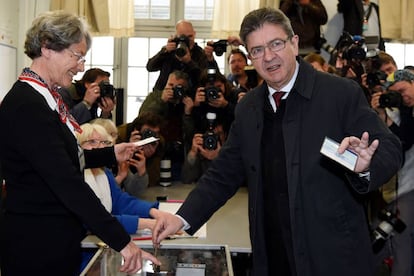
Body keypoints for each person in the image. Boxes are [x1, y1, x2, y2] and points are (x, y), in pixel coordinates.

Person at [151, 7, 402, 276]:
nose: (269, 57)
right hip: (272, 254)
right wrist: (181, 217)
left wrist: (365, 166)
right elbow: (223, 175)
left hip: (333, 257)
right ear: (250, 57)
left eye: (276, 44)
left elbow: (389, 148)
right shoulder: (248, 109)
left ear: (294, 44)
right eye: (257, 50)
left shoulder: (339, 93)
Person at [0, 11, 159, 275]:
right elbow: (67, 182)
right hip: (36, 248)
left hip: (53, 241)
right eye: (77, 56)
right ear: (48, 47)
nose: (81, 67)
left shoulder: (46, 99)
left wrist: (109, 154)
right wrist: (122, 241)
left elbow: (60, 157)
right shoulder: (28, 106)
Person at [78, 123, 162, 233]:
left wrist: (153, 212)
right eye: (92, 142)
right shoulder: (76, 177)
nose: (100, 147)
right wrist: (145, 223)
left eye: (104, 142)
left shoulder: (105, 172)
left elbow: (121, 201)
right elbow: (93, 219)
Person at [371, 69, 414, 276]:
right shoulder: (405, 111)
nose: (402, 96)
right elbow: (401, 142)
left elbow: (405, 141)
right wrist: (382, 116)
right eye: (396, 92)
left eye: (404, 89)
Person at [139, 70, 194, 181]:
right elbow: (142, 119)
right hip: (156, 152)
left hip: (178, 157)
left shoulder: (187, 103)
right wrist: (161, 101)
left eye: (178, 87)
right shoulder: (155, 97)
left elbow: (190, 134)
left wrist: (188, 113)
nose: (172, 90)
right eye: (170, 85)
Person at [146, 19, 218, 93]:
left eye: (190, 36)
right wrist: (164, 52)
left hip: (189, 98)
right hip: (164, 95)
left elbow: (206, 79)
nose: (187, 40)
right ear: (176, 36)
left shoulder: (201, 54)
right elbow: (150, 67)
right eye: (182, 37)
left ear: (194, 34)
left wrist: (189, 62)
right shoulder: (169, 51)